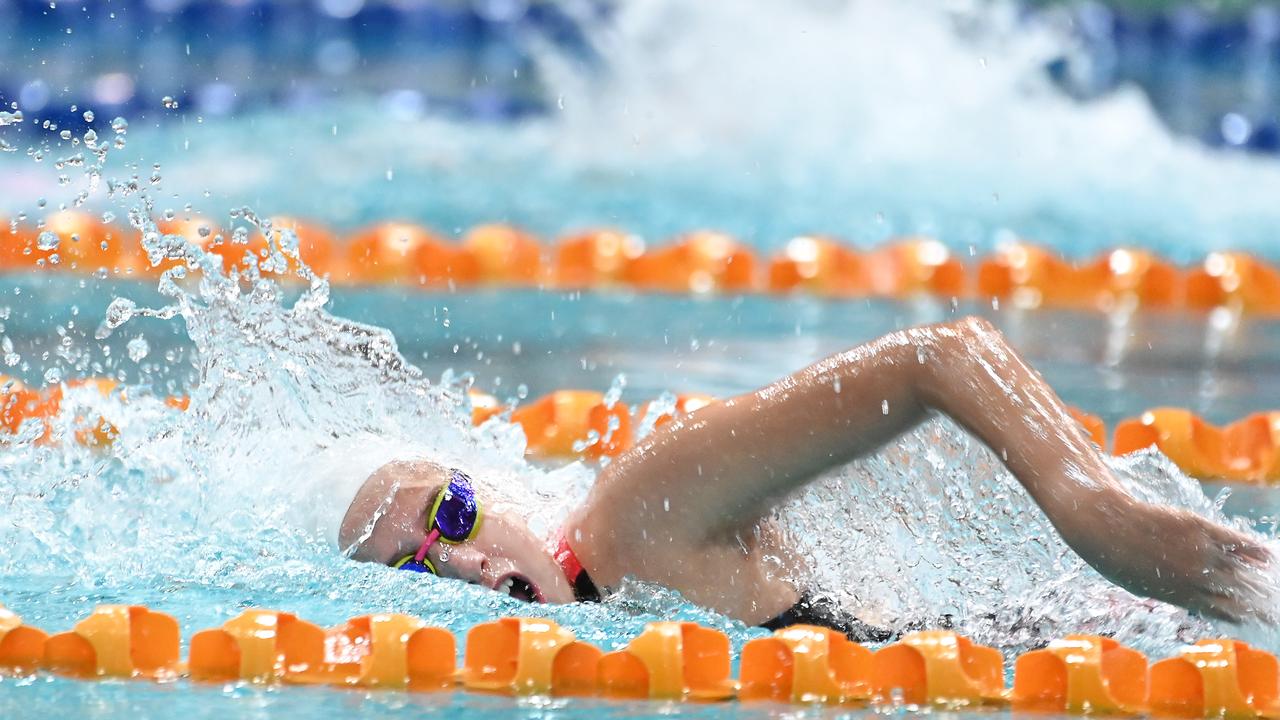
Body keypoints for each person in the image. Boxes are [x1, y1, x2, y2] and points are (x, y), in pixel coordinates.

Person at [330, 317, 1270, 638]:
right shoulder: (602, 614)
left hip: (1115, 631)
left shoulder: (631, 517)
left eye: (450, 515)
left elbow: (940, 357)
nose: (455, 566)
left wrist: (1092, 503)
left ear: (504, 492)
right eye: (412, 571)